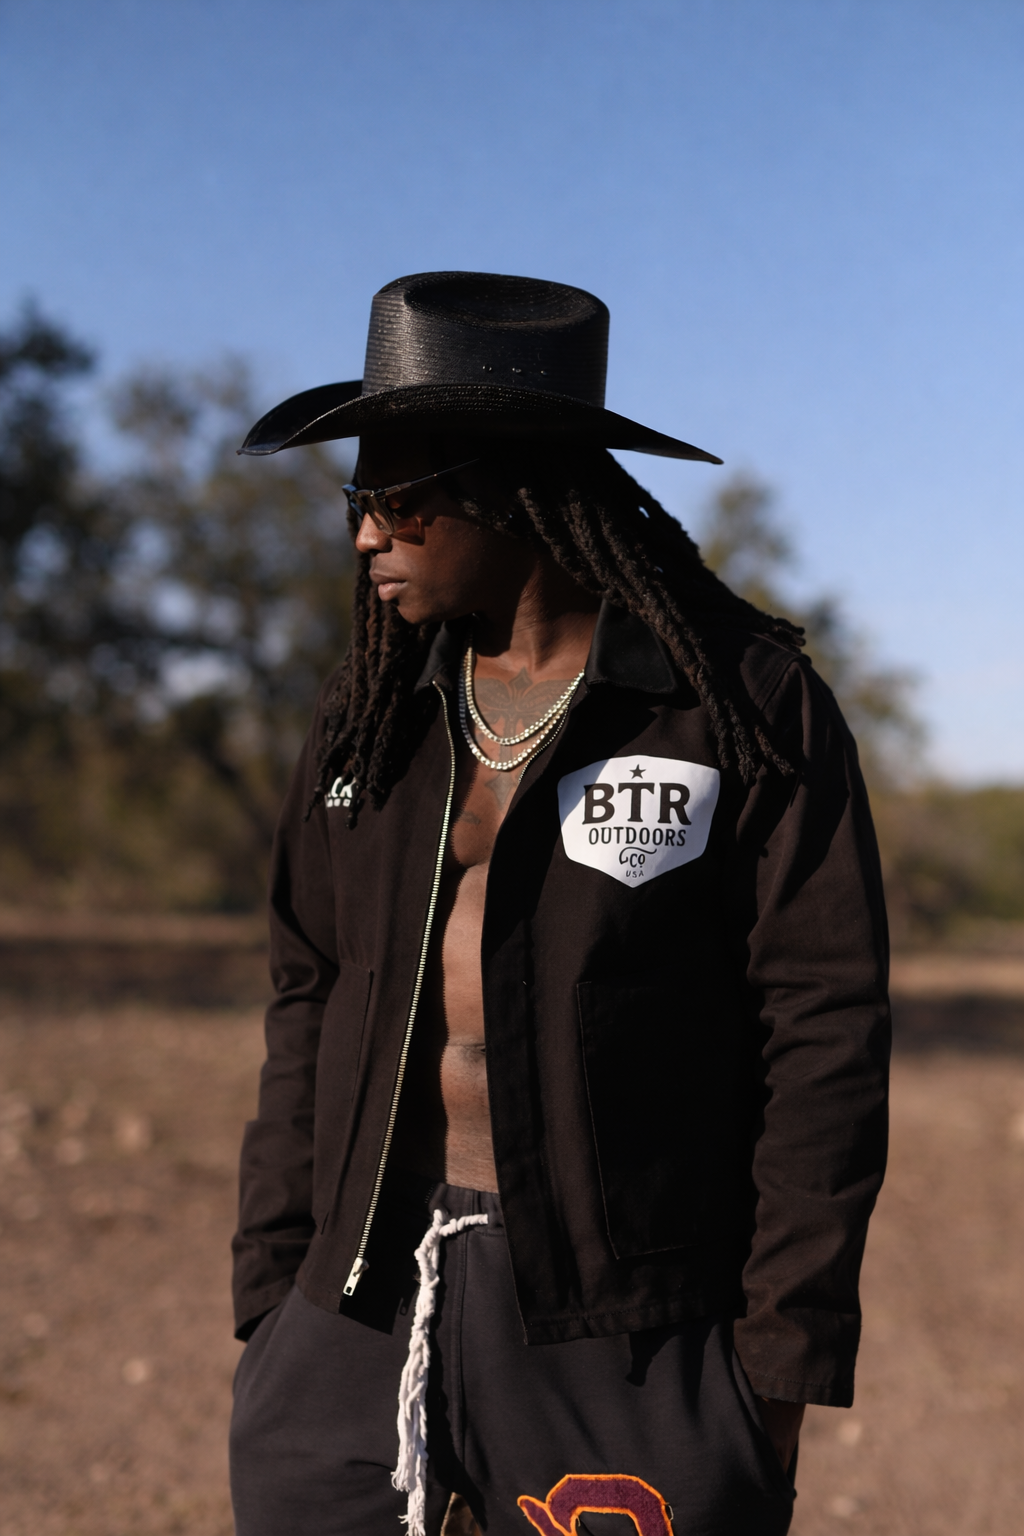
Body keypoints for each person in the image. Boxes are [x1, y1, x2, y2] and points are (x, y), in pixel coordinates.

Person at [229, 272, 890, 1536]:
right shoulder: (369, 715)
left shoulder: (735, 709)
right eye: (356, 502)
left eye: (398, 498)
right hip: (356, 1300)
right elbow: (305, 994)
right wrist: (271, 1297)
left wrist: (774, 1374)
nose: (365, 536)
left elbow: (824, 1036)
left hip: (624, 1330)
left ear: (512, 484)